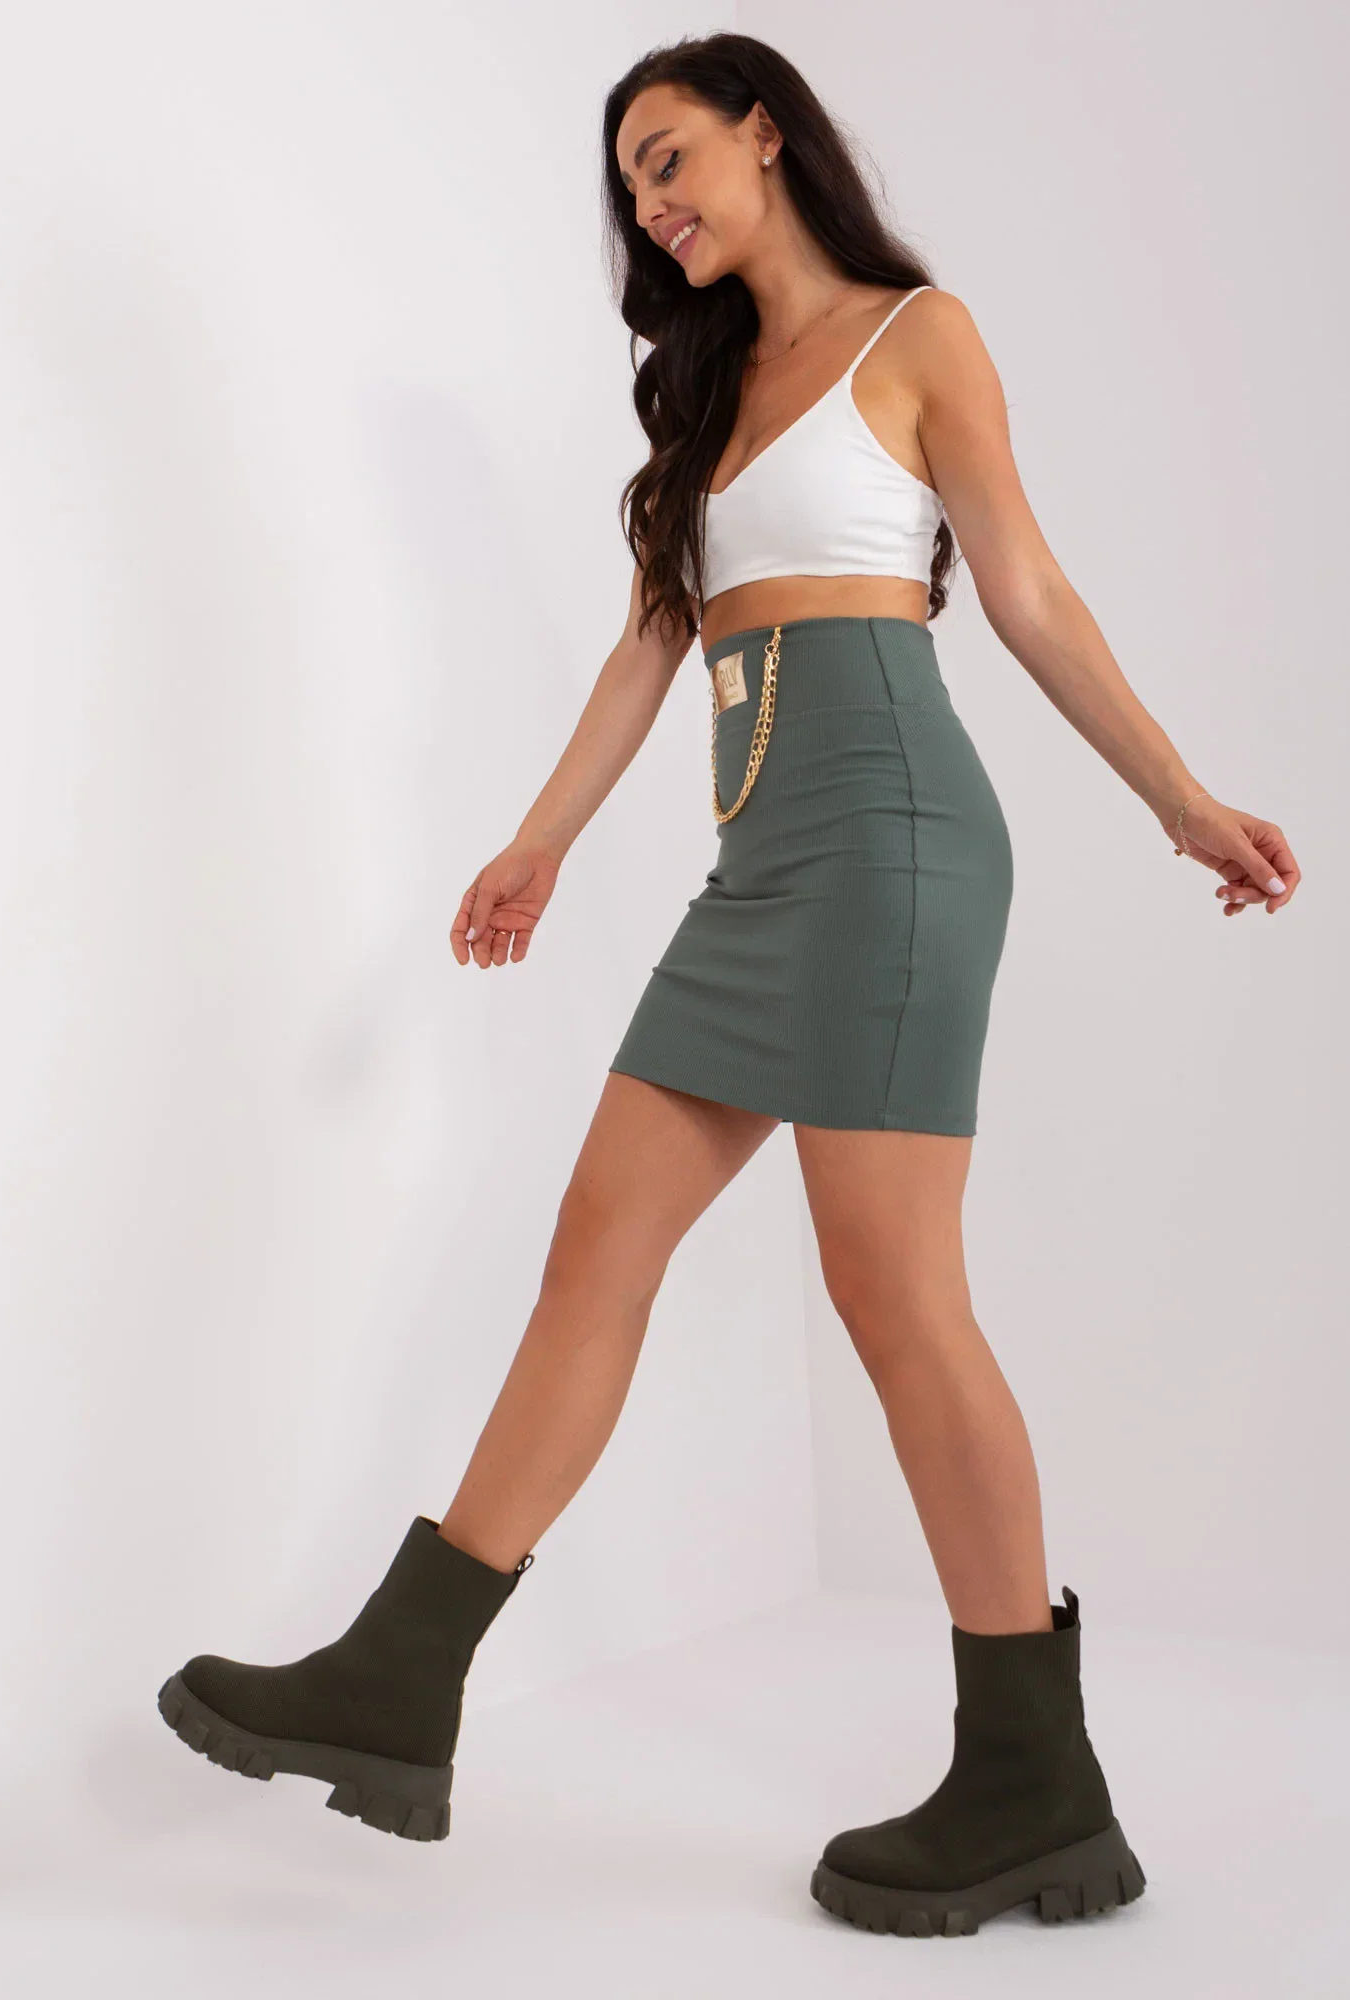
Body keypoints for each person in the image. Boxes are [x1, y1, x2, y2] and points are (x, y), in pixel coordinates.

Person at [157, 32, 1300, 1934]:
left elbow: (1023, 588)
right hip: (761, 867)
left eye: (671, 156)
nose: (654, 204)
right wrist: (538, 842)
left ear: (768, 134)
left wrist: (1181, 800)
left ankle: (1035, 1776)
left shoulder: (915, 335)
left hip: (894, 842)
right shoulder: (705, 401)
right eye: (631, 185)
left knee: (896, 1297)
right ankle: (399, 1683)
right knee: (593, 1252)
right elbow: (651, 650)